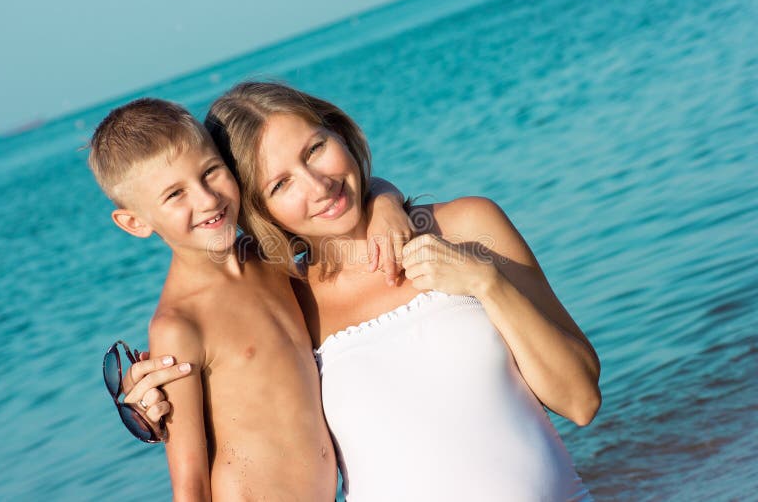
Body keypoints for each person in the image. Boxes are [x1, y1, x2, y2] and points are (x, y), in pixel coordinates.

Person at [122, 82, 602, 501]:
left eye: (314, 149)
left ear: (340, 132)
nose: (320, 185)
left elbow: (580, 400)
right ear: (259, 209)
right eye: (282, 183)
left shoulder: (469, 226)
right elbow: (230, 411)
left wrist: (486, 282)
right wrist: (150, 409)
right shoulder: (291, 301)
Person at [87, 98, 410, 501]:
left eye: (211, 172)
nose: (207, 200)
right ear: (134, 222)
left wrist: (385, 201)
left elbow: (340, 207)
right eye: (175, 195)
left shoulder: (270, 256)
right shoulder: (180, 325)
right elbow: (189, 486)